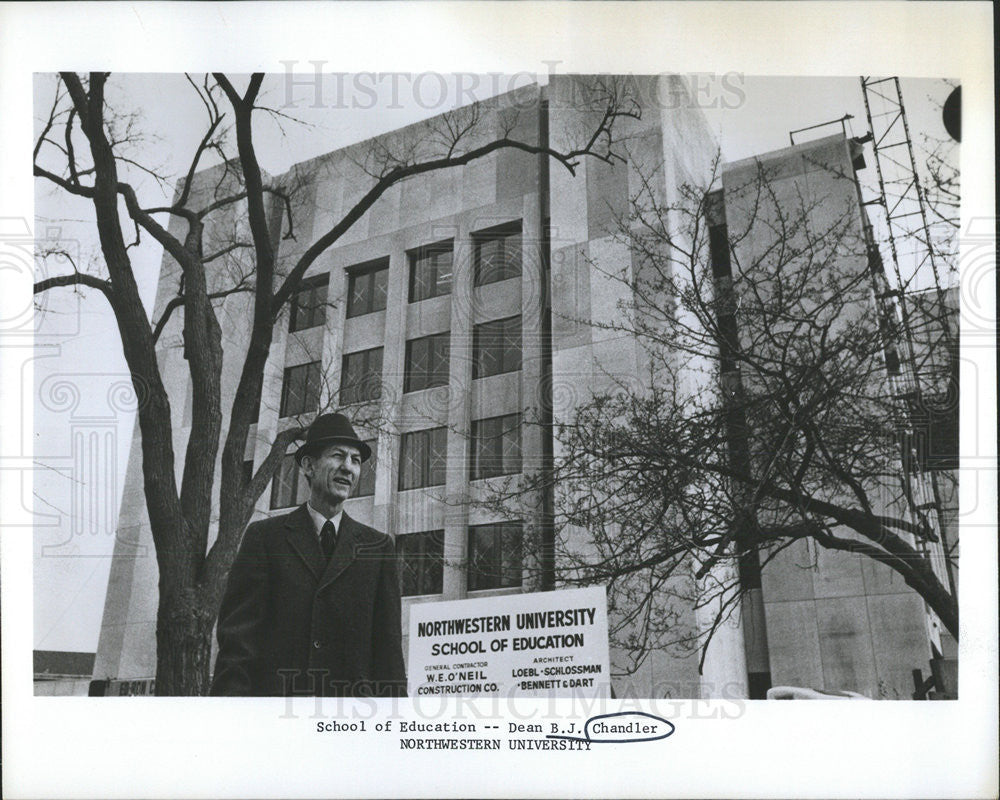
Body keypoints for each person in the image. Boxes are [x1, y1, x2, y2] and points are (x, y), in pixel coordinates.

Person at [210, 413, 406, 697]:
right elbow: (238, 645)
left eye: (355, 460)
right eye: (338, 456)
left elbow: (389, 655)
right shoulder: (265, 539)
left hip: (348, 725)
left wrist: (392, 728)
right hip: (278, 722)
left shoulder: (377, 548)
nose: (348, 468)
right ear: (308, 465)